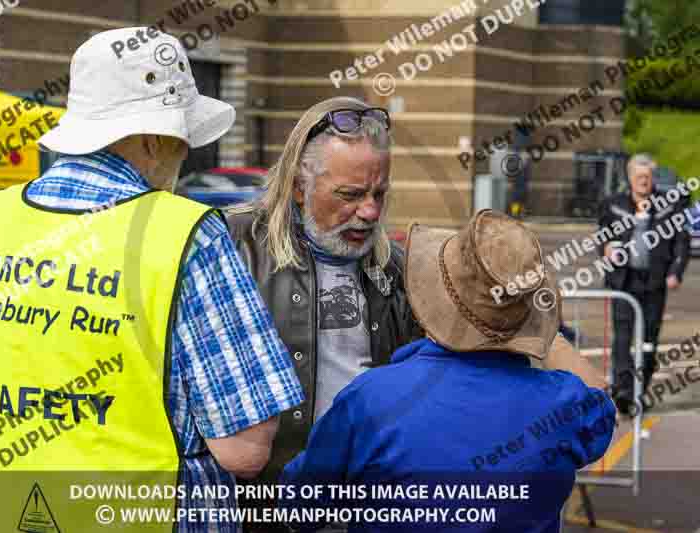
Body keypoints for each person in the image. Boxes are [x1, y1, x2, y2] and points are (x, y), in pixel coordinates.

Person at [0, 28, 303, 533]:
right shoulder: (187, 232)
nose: (186, 154)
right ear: (151, 137)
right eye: (183, 137)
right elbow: (244, 449)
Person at [226, 97, 603, 530]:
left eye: (379, 193)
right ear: (298, 185)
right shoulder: (230, 249)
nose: (369, 211)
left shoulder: (399, 272)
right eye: (350, 194)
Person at [280, 210, 616, 533]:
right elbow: (599, 395)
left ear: (433, 302)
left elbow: (300, 506)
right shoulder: (564, 404)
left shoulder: (370, 400)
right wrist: (538, 327)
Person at [597, 153, 690, 416]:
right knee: (623, 340)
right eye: (638, 177)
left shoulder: (668, 206)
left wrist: (676, 272)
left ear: (653, 179)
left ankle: (640, 389)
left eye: (647, 177)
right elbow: (603, 237)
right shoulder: (613, 205)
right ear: (629, 178)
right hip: (623, 281)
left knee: (649, 341)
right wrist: (606, 250)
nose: (643, 182)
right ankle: (624, 393)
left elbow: (681, 242)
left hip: (654, 282)